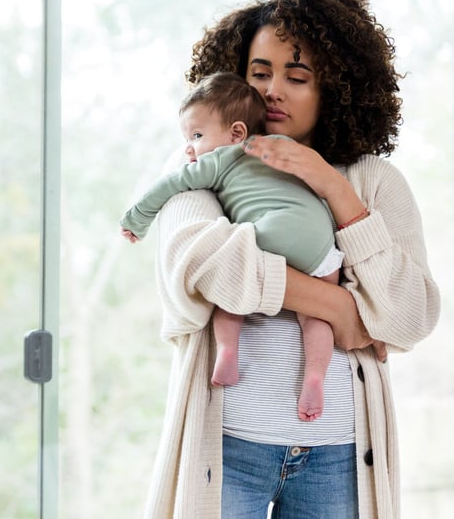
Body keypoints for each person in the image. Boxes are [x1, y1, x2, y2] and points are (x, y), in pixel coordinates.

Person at [137, 0, 440, 519]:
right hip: (227, 448)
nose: (273, 91)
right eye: (259, 72)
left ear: (336, 88)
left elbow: (412, 315)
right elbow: (202, 265)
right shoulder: (205, 160)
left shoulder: (373, 182)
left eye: (296, 78)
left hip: (339, 456)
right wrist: (341, 308)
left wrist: (331, 186)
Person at [119, 71, 344, 421]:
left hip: (273, 230)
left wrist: (137, 218)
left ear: (237, 133)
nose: (188, 148)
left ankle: (228, 351)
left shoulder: (220, 158)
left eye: (195, 135)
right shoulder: (282, 151)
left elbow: (171, 184)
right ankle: (315, 376)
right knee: (317, 318)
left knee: (234, 285)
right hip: (320, 239)